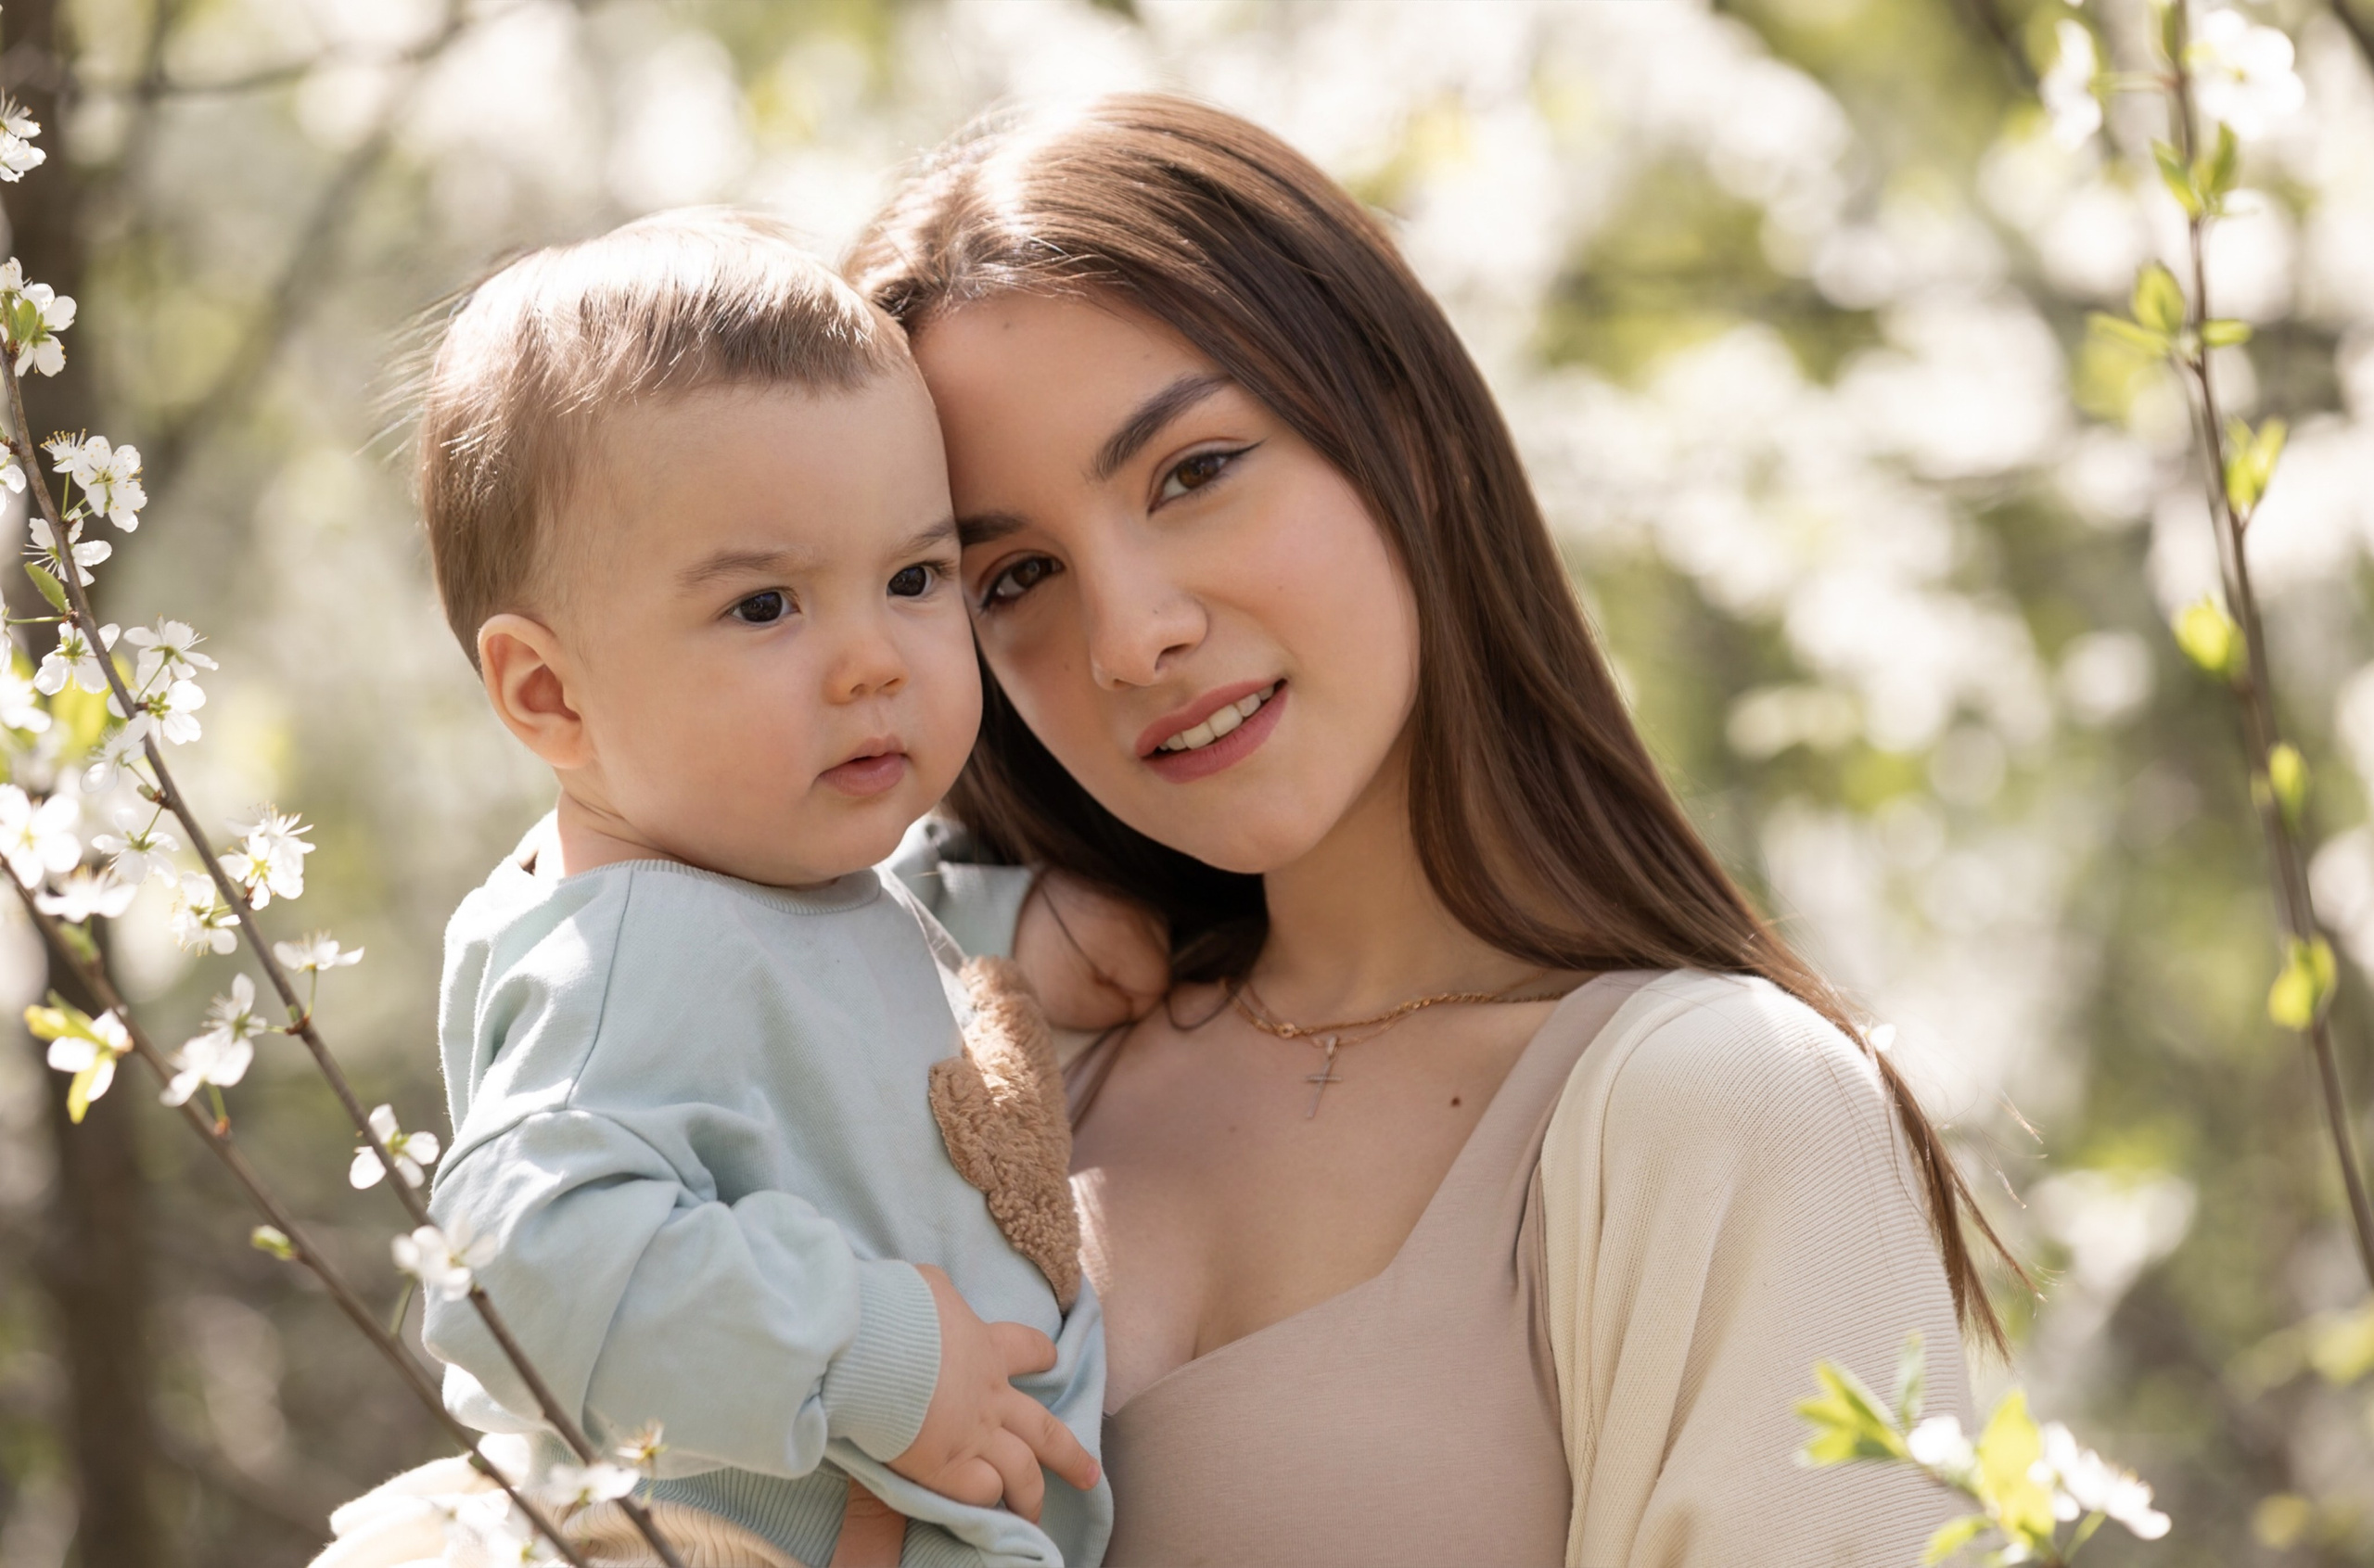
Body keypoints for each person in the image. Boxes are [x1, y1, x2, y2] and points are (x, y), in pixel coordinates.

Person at [851, 95, 2015, 1568]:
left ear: (1407, 424)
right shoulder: (973, 1061)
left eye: (1194, 472)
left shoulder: (1722, 1112)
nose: (1133, 636)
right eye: (1013, 575)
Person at [325, 210, 1111, 1568]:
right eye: (767, 606)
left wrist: (1024, 927)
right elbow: (520, 1265)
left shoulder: (757, 881)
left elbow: (835, 998)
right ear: (549, 692)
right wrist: (867, 1352)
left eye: (915, 577)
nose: (874, 658)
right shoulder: (629, 949)